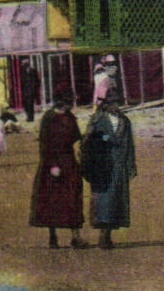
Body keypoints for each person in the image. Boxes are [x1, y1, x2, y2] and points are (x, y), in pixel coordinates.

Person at [30, 95, 86, 249]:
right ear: (63, 103)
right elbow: (44, 143)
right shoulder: (48, 118)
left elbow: (77, 137)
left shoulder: (70, 117)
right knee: (51, 201)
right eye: (69, 103)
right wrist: (52, 165)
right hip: (51, 163)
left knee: (73, 197)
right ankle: (52, 237)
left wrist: (81, 149)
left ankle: (76, 237)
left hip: (69, 162)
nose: (72, 106)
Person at [81, 94, 137, 249]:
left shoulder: (125, 121)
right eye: (113, 104)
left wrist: (131, 166)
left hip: (119, 166)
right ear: (106, 105)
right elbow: (88, 142)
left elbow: (130, 145)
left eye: (118, 104)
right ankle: (103, 235)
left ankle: (108, 234)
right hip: (102, 167)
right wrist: (105, 139)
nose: (116, 107)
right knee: (103, 201)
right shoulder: (97, 120)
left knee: (116, 201)